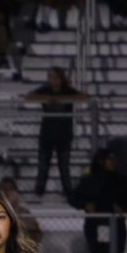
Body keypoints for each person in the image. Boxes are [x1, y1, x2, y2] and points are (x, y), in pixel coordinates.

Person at [68, 148, 127, 253]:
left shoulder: (120, 180)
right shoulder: (90, 180)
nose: (113, 162)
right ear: (101, 161)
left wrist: (123, 209)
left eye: (113, 159)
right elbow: (73, 197)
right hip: (96, 226)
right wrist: (86, 204)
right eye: (109, 159)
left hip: (115, 227)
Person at [23, 66, 88, 199]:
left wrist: (63, 100)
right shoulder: (45, 90)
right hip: (47, 133)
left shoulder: (67, 90)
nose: (52, 80)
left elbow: (83, 97)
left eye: (55, 77)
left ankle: (68, 193)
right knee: (43, 165)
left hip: (63, 134)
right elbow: (29, 97)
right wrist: (47, 98)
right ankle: (39, 192)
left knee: (64, 166)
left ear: (61, 78)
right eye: (50, 77)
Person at [0, 177, 40, 244]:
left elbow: (35, 235)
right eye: (4, 189)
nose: (7, 192)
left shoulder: (25, 213)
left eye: (10, 189)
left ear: (16, 193)